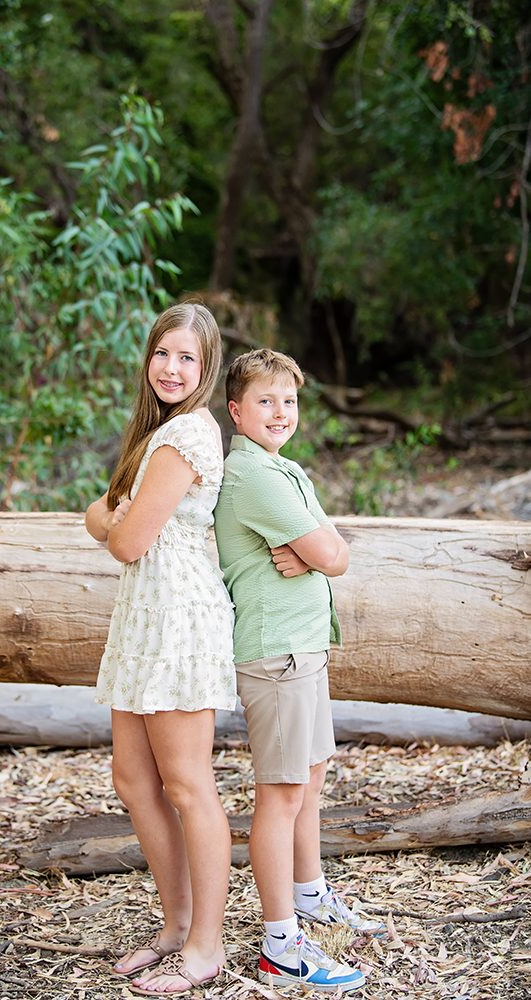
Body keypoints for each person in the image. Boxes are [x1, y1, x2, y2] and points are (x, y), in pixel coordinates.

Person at [214, 348, 385, 993]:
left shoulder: (284, 470)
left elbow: (326, 549)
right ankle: (279, 943)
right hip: (275, 652)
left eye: (288, 400)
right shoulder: (254, 477)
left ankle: (308, 895)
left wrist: (316, 552)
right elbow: (335, 555)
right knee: (282, 794)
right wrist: (319, 553)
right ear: (236, 411)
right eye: (265, 400)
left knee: (310, 780)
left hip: (304, 646)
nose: (280, 411)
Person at [85, 302, 236, 997]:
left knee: (185, 785)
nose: (171, 368)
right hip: (144, 616)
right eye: (162, 354)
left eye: (188, 359)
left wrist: (109, 518)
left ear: (204, 371)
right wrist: (110, 517)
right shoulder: (159, 432)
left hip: (177, 618)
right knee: (133, 779)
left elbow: (123, 535)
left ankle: (206, 946)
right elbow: (110, 513)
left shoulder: (183, 438)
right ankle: (174, 924)